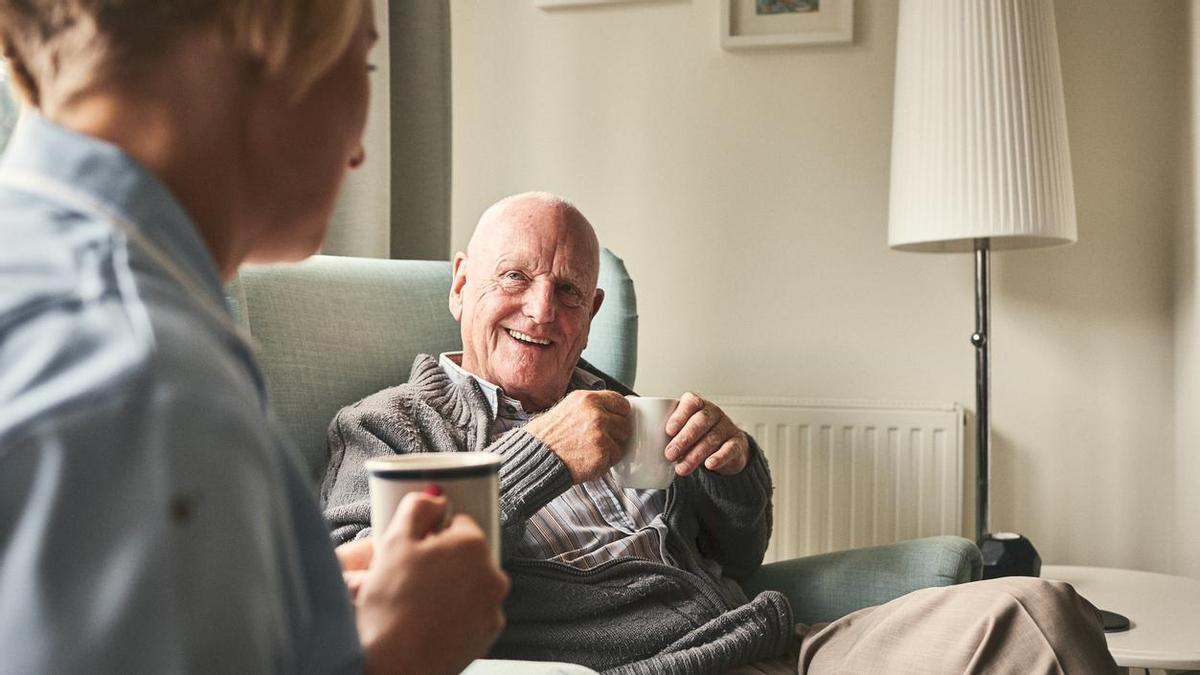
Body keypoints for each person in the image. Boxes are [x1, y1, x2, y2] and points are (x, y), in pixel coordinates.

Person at [321, 191, 1118, 674]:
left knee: (1037, 614)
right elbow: (359, 593)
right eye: (514, 277)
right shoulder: (385, 424)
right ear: (461, 282)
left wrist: (730, 472)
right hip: (636, 670)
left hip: (777, 646)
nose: (541, 310)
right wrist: (544, 453)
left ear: (593, 315)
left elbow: (737, 558)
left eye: (568, 291)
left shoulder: (622, 409)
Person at [0, 2, 507, 673]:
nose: (359, 148)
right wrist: (396, 655)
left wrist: (278, 599)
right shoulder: (155, 395)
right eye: (363, 60)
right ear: (254, 42)